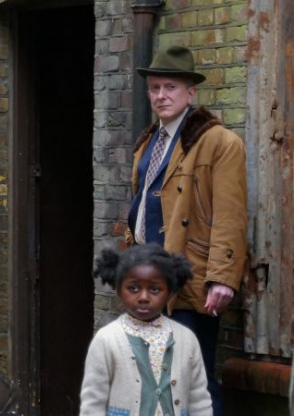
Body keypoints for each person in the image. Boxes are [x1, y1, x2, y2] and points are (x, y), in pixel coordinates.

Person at [127, 45, 247, 415]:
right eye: (154, 88)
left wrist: (222, 278)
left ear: (190, 93)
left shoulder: (219, 142)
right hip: (148, 278)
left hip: (190, 279)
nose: (161, 96)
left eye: (170, 88)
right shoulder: (150, 140)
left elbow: (230, 215)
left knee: (193, 380)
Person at [80, 244, 212, 416]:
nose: (143, 297)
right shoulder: (106, 340)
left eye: (155, 289)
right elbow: (93, 402)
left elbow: (199, 399)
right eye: (133, 288)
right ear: (118, 290)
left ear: (170, 292)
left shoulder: (186, 339)